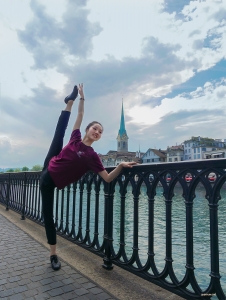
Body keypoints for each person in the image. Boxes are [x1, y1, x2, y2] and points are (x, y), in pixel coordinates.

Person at [40, 84, 137, 271]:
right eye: (95, 128)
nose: (97, 132)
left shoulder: (92, 157)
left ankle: (53, 254)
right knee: (59, 132)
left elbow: (107, 178)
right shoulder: (75, 138)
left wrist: (121, 165)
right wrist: (81, 98)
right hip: (49, 165)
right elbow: (80, 116)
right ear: (87, 130)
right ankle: (70, 101)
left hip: (49, 183)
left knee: (48, 217)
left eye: (100, 131)